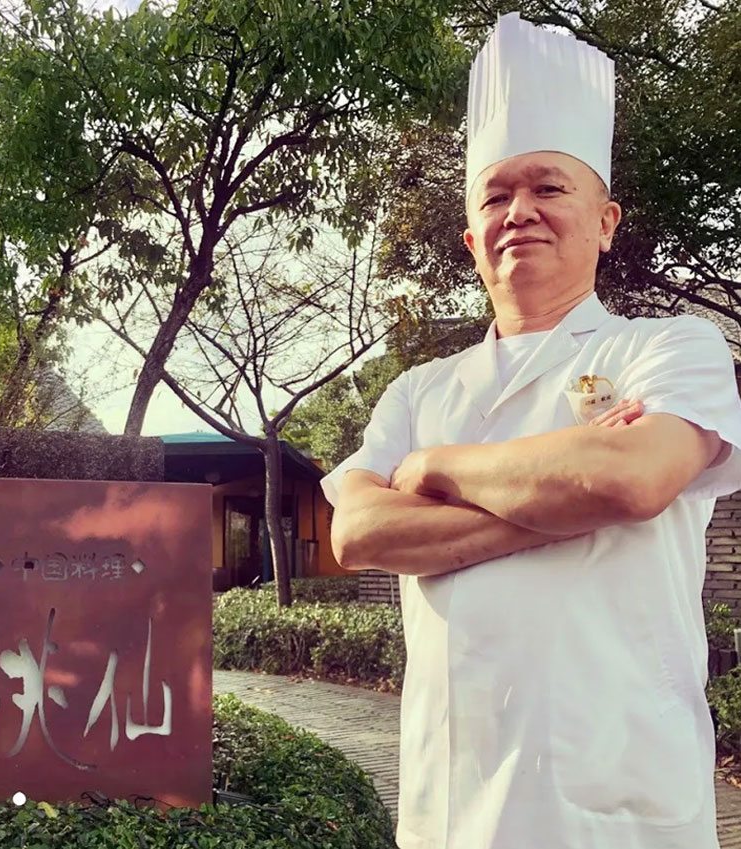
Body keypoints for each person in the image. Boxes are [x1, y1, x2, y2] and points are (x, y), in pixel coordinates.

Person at [320, 12, 741, 849]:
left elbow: (630, 478)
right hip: (452, 804)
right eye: (496, 195)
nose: (520, 211)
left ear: (605, 221)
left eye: (548, 188)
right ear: (471, 239)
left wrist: (434, 468)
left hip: (617, 808)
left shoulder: (670, 346)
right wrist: (567, 496)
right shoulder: (417, 388)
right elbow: (358, 532)